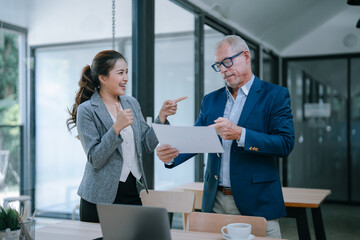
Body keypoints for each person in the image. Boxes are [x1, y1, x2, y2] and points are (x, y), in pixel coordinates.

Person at [156, 35, 294, 238]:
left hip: (257, 202)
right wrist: (170, 152)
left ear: (246, 56)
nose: (223, 70)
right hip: (215, 201)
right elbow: (195, 139)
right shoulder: (211, 100)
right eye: (218, 65)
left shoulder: (274, 95)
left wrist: (241, 134)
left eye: (227, 62)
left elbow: (285, 144)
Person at [67, 50, 186, 223]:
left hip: (131, 192)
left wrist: (161, 117)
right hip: (98, 199)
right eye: (120, 73)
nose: (126, 78)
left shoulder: (131, 102)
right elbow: (95, 158)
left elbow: (146, 143)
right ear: (103, 77)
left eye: (127, 72)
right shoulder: (87, 110)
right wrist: (117, 127)